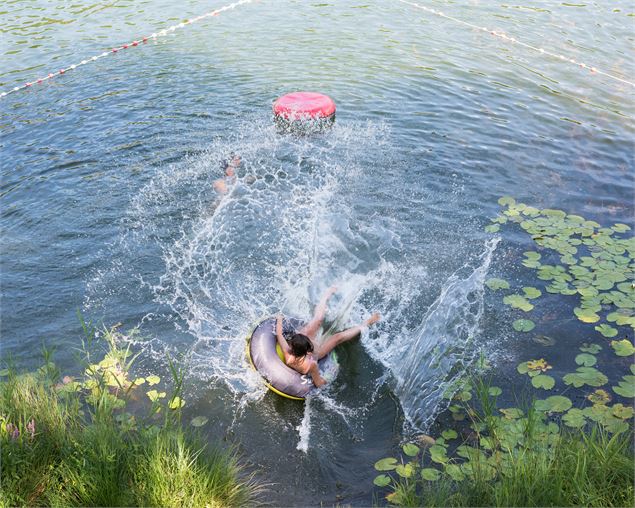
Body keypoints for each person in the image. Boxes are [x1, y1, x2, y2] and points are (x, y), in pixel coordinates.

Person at [275, 286, 380, 387]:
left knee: (318, 320)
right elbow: (319, 383)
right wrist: (328, 376)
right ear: (307, 351)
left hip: (306, 351)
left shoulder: (287, 353)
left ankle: (326, 295)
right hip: (317, 353)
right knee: (337, 337)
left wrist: (279, 318)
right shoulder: (311, 365)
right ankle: (367, 323)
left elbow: (279, 333)